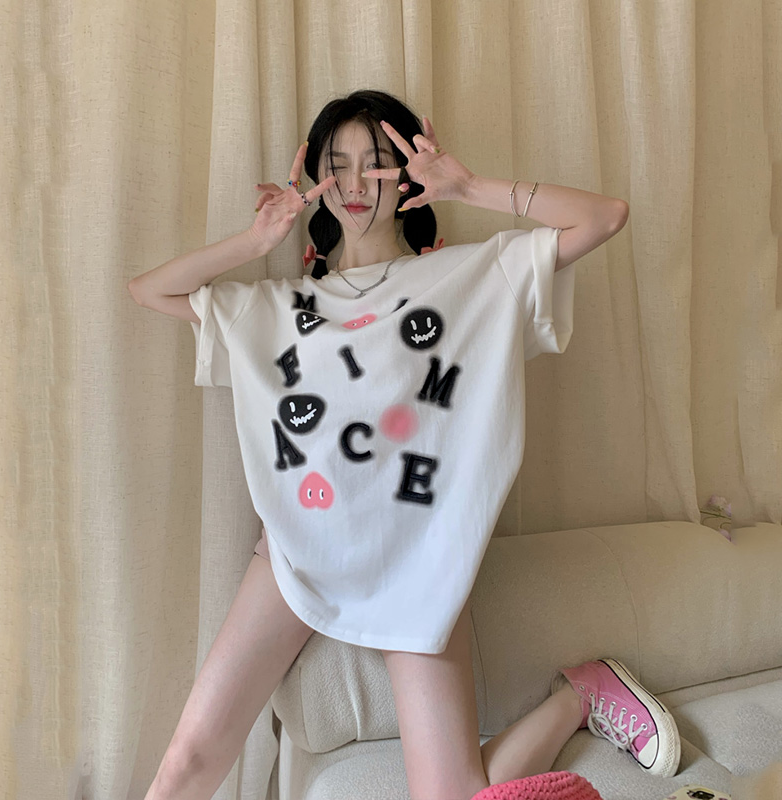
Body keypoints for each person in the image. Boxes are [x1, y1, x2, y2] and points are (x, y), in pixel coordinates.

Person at [130, 89, 681, 800]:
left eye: (376, 163)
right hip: (295, 548)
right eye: (337, 165)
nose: (356, 183)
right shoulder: (279, 306)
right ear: (316, 180)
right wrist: (255, 242)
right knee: (186, 762)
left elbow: (606, 217)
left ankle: (581, 695)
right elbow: (148, 291)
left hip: (418, 558)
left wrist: (471, 188)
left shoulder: (470, 276)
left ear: (406, 175)